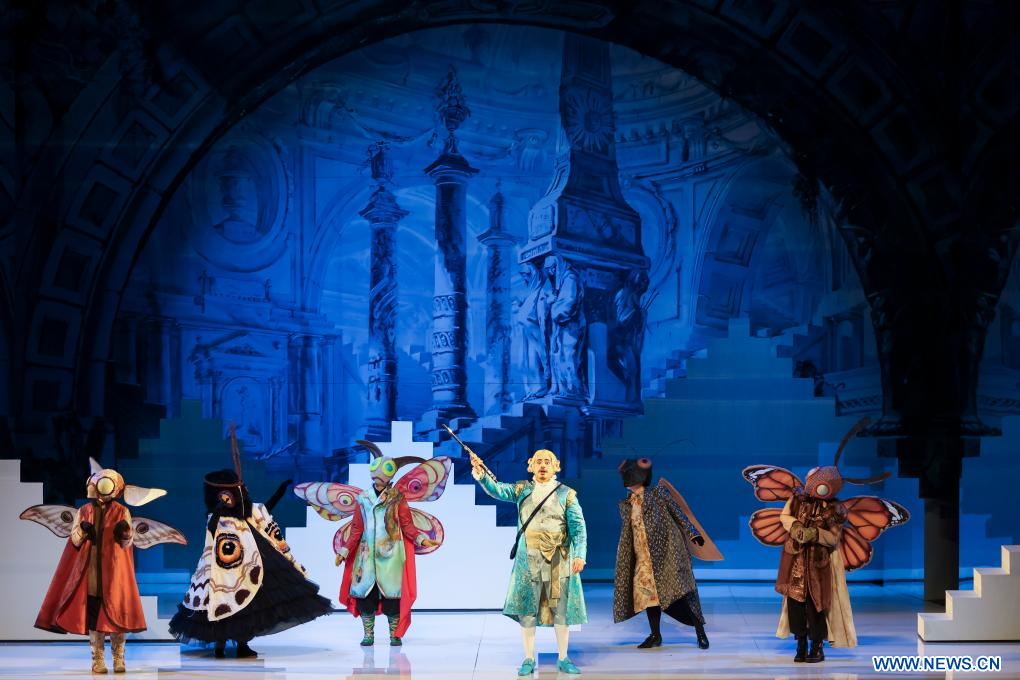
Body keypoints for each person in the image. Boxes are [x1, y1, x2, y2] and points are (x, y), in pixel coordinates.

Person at [744, 417, 910, 663]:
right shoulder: (798, 499)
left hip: (819, 564)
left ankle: (817, 647)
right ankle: (800, 645)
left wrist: (815, 534)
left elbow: (833, 538)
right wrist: (796, 527)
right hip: (796, 559)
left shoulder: (835, 509)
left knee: (817, 605)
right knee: (795, 603)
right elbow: (784, 516)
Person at [169, 425, 332, 658]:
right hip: (220, 571)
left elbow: (264, 513)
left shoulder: (248, 514)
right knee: (220, 599)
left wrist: (279, 492)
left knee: (249, 603)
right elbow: (213, 531)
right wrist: (221, 507)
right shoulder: (217, 518)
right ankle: (219, 644)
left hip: (249, 565)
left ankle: (242, 644)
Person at [25, 458, 185, 673]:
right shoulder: (84, 511)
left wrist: (125, 533)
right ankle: (97, 660)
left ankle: (119, 658)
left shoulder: (121, 511)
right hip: (92, 573)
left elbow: (128, 543)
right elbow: (74, 541)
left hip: (115, 574)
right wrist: (82, 530)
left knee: (118, 616)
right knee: (94, 618)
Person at [468, 447, 586, 676]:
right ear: (531, 465)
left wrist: (580, 554)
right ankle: (529, 657)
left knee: (560, 609)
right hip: (528, 559)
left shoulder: (567, 494)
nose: (543, 465)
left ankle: (563, 657)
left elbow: (578, 528)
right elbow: (497, 490)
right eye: (538, 461)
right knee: (527, 610)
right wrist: (481, 472)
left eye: (547, 462)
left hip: (558, 560)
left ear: (556, 466)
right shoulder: (522, 489)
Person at [329, 442, 446, 646]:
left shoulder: (397, 498)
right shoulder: (363, 498)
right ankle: (368, 634)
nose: (377, 478)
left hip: (391, 555)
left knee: (392, 596)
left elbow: (407, 525)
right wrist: (344, 551)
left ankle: (394, 634)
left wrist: (421, 539)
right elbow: (356, 528)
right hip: (366, 556)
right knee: (366, 595)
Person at [613, 458, 721, 650]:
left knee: (683, 591)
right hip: (643, 557)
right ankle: (655, 635)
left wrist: (693, 533)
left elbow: (678, 513)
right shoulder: (628, 503)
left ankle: (700, 632)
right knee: (650, 596)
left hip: (667, 554)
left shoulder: (658, 494)